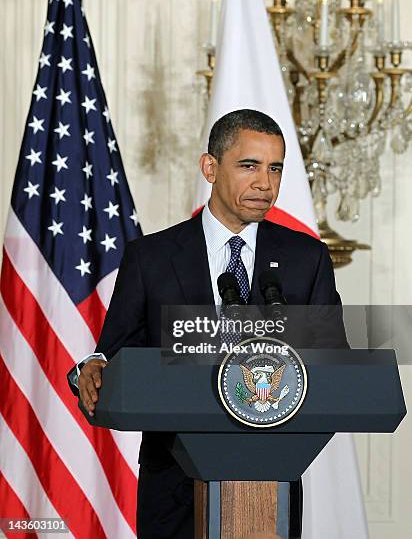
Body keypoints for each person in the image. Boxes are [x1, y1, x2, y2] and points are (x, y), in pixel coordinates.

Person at [68, 108, 349, 538]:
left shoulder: (306, 258)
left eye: (275, 168)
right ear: (210, 167)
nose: (265, 183)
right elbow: (115, 352)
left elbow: (333, 363)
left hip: (270, 479)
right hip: (174, 481)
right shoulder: (152, 257)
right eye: (249, 166)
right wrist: (90, 367)